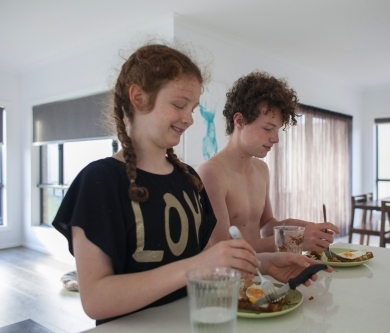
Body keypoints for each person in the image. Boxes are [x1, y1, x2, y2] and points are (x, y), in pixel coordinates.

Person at [53, 42, 331, 325]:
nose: (188, 119)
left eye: (193, 108)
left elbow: (209, 261)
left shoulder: (188, 180)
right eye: (178, 105)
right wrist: (199, 265)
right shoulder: (99, 181)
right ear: (138, 97)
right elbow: (96, 300)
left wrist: (267, 263)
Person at [197, 71, 340, 253]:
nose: (275, 139)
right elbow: (222, 247)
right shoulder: (210, 173)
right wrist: (294, 240)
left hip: (260, 274)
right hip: (229, 279)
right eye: (267, 128)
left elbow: (266, 225)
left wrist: (305, 229)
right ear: (239, 121)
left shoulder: (261, 169)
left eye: (277, 130)